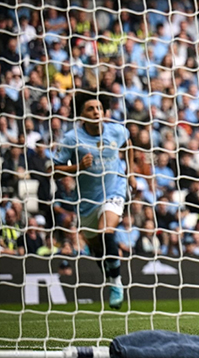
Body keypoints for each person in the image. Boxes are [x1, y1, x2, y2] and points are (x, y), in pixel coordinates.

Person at [51, 94, 136, 310]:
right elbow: (54, 171)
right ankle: (110, 276)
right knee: (97, 248)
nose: (97, 112)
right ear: (81, 115)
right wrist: (77, 167)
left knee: (106, 229)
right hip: (87, 200)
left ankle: (116, 283)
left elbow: (128, 145)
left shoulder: (115, 130)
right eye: (91, 109)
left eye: (99, 108)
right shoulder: (72, 138)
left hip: (115, 189)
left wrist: (131, 172)